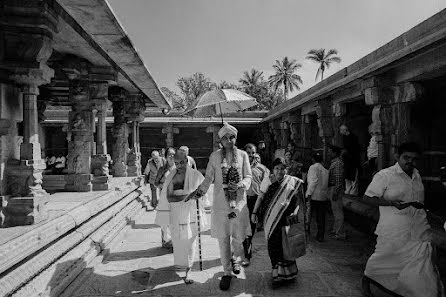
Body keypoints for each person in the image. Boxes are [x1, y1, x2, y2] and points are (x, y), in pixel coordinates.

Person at [361, 142, 443, 297]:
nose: (410, 161)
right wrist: (391, 203)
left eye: (414, 159)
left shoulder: (417, 174)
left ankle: (423, 292)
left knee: (423, 263)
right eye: (406, 157)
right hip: (393, 229)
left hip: (419, 227)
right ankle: (367, 277)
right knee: (383, 259)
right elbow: (367, 198)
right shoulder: (385, 175)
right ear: (397, 156)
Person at [186, 122, 252, 291]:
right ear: (220, 140)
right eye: (225, 138)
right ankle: (227, 272)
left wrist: (242, 185)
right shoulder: (214, 157)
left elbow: (248, 176)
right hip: (221, 205)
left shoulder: (243, 155)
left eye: (232, 137)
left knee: (238, 238)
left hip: (238, 204)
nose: (229, 140)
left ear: (236, 138)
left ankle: (236, 261)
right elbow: (208, 178)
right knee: (223, 240)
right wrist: (199, 192)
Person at [155, 150, 209, 284]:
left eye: (182, 162)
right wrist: (188, 196)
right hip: (176, 214)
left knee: (190, 242)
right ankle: (181, 266)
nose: (179, 165)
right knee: (178, 243)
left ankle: (189, 269)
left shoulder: (196, 176)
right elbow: (169, 197)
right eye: (177, 163)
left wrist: (197, 195)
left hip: (191, 213)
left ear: (187, 161)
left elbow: (203, 195)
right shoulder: (171, 177)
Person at [251, 157, 305, 288]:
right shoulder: (268, 181)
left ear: (286, 169)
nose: (280, 171)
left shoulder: (293, 182)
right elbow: (260, 198)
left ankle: (289, 273)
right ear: (273, 169)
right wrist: (254, 213)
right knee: (273, 247)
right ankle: (277, 276)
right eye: (277, 168)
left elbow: (300, 202)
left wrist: (298, 215)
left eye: (282, 168)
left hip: (287, 220)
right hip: (271, 220)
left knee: (287, 246)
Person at [243, 144, 270, 266]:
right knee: (245, 229)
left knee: (251, 229)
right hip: (242, 201)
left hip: (255, 201)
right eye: (248, 152)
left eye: (253, 152)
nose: (251, 155)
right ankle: (247, 253)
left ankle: (247, 252)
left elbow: (268, 185)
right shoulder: (240, 166)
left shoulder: (262, 169)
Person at [154, 147, 176, 249]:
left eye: (173, 154)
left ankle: (175, 241)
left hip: (176, 197)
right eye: (169, 154)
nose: (171, 156)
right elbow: (156, 183)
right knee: (165, 219)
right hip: (165, 197)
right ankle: (165, 241)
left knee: (175, 219)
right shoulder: (162, 169)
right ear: (166, 157)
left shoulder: (179, 168)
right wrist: (164, 187)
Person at [306, 152, 329, 242]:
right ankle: (320, 235)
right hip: (322, 196)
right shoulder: (325, 170)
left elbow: (313, 182)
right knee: (321, 216)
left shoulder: (313, 167)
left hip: (314, 195)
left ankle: (307, 231)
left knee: (309, 214)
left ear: (313, 159)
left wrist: (308, 194)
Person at [328, 145, 346, 240]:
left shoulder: (338, 163)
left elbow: (338, 180)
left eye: (330, 151)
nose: (328, 153)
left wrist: (335, 192)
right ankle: (336, 230)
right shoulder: (335, 163)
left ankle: (340, 232)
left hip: (336, 189)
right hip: (334, 188)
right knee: (335, 210)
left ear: (335, 153)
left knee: (338, 211)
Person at [339, 124, 361, 195]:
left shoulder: (354, 137)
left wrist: (346, 151)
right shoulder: (344, 138)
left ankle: (354, 192)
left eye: (341, 130)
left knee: (354, 176)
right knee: (347, 176)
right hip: (347, 160)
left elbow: (355, 149)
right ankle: (348, 190)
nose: (340, 132)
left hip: (354, 160)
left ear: (345, 130)